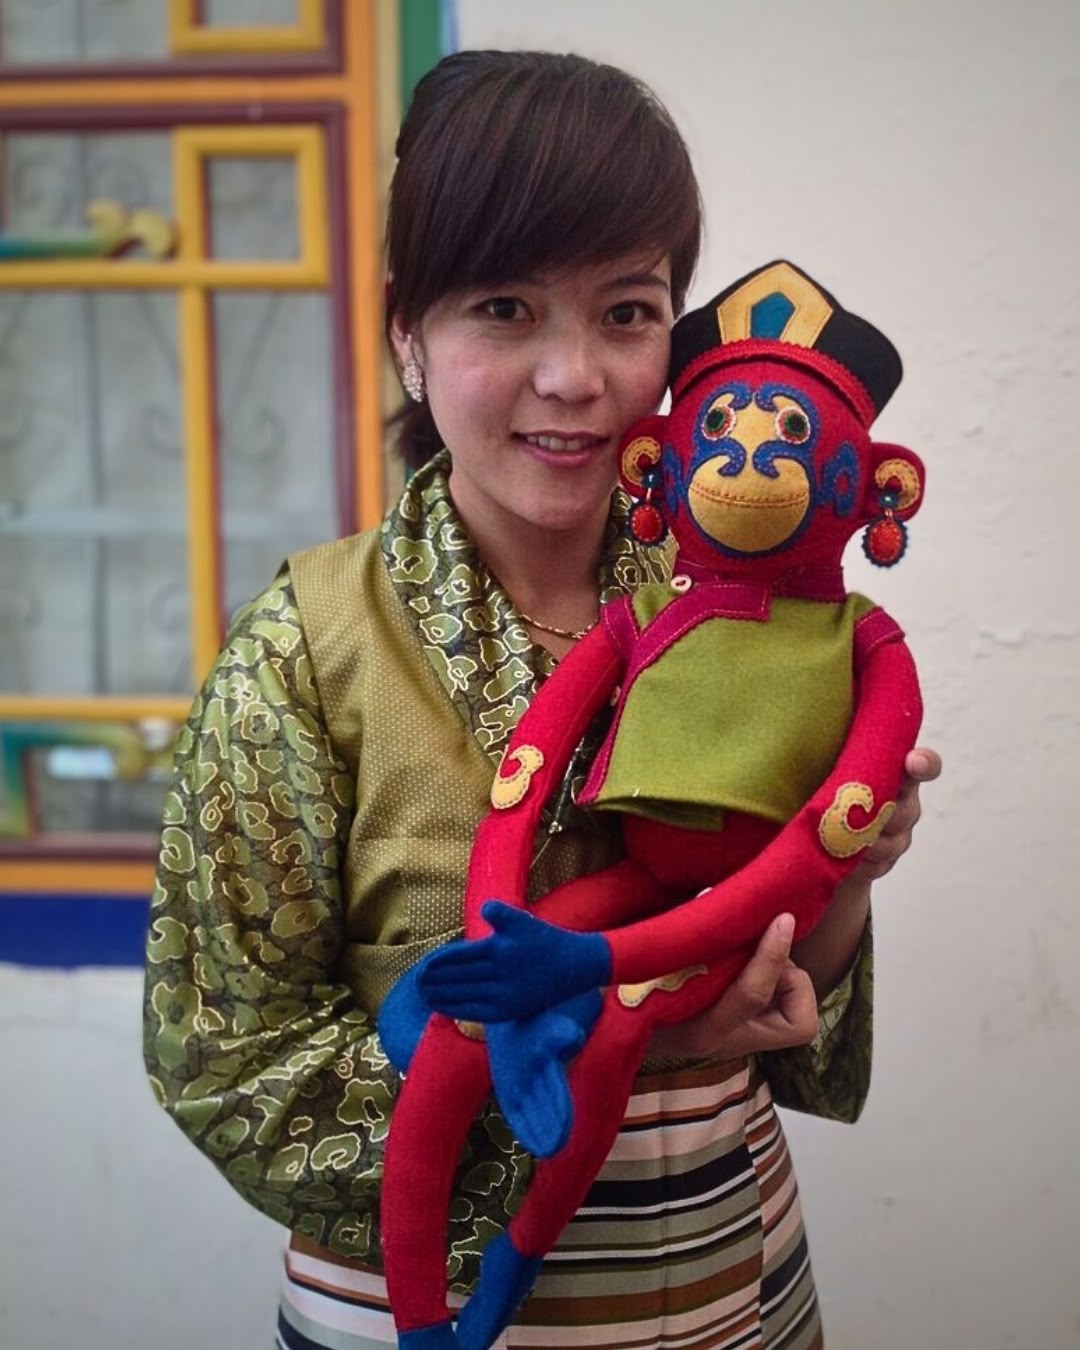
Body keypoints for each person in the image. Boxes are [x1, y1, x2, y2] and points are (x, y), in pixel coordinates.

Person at [143, 50, 941, 1350]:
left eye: (628, 313)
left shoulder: (755, 615)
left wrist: (853, 876)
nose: (575, 376)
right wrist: (629, 1053)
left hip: (743, 1286)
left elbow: (792, 1003)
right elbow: (224, 1060)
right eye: (505, 309)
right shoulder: (305, 647)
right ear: (410, 332)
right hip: (436, 1315)